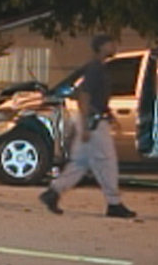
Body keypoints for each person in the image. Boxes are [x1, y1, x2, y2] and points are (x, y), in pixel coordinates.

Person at [39, 34, 137, 218]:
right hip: (93, 124)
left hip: (93, 120)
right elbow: (84, 96)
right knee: (107, 163)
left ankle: (53, 192)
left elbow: (84, 94)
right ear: (102, 47)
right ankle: (114, 203)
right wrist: (85, 126)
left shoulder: (96, 67)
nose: (115, 46)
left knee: (80, 163)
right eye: (112, 43)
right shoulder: (96, 68)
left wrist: (106, 114)